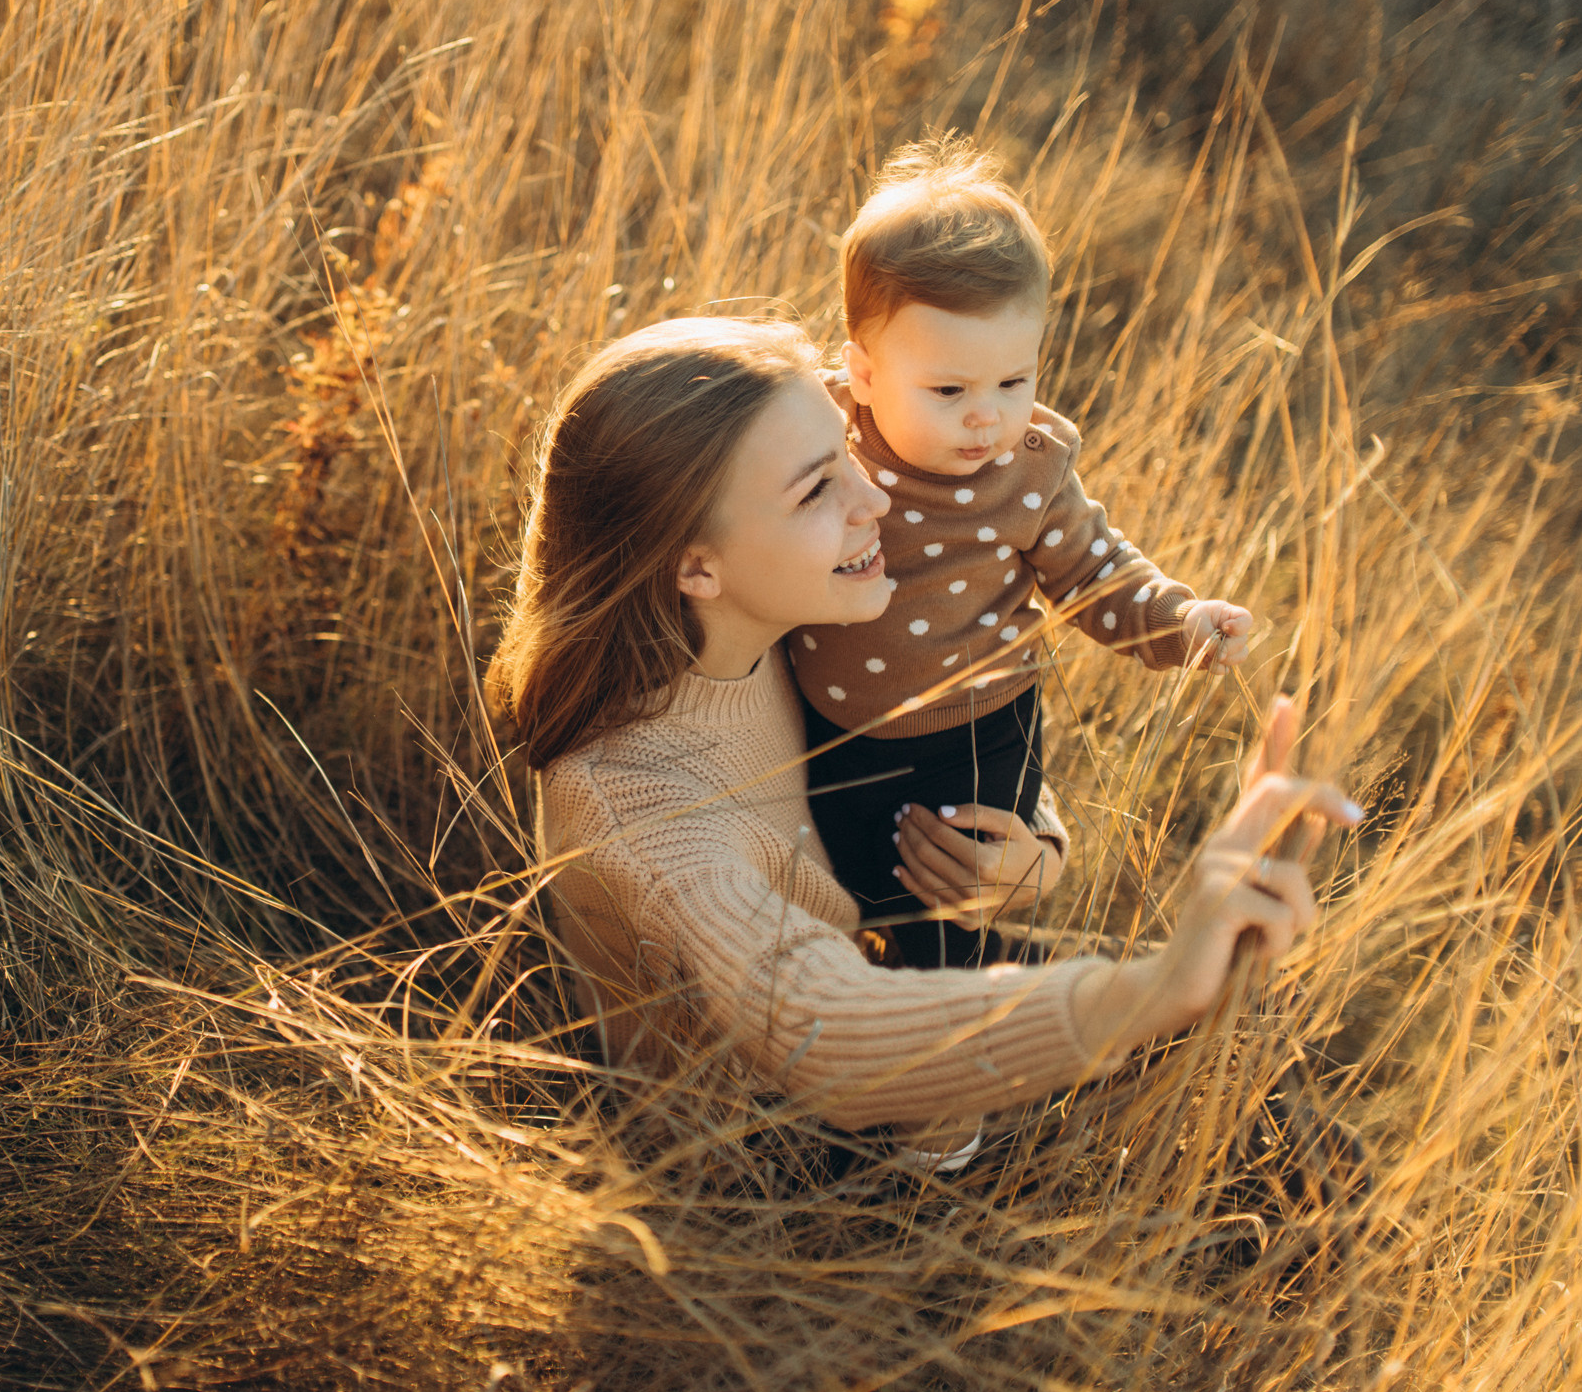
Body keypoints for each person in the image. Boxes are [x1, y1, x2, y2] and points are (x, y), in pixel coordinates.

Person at [484, 316, 1357, 1169]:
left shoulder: (790, 628)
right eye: (815, 490)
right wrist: (1151, 991)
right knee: (1252, 1139)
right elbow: (826, 1031)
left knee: (1265, 1070)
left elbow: (948, 737)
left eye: (848, 452)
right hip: (784, 1158)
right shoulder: (640, 806)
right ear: (696, 566)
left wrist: (1029, 857)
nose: (876, 498)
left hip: (900, 976)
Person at [788, 136, 1255, 969]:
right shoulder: (819, 434)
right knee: (846, 886)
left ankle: (981, 999)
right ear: (863, 373)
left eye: (1014, 382)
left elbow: (1096, 572)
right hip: (830, 725)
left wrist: (1180, 621)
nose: (987, 417)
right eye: (949, 389)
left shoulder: (1030, 473)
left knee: (950, 903)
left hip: (979, 734)